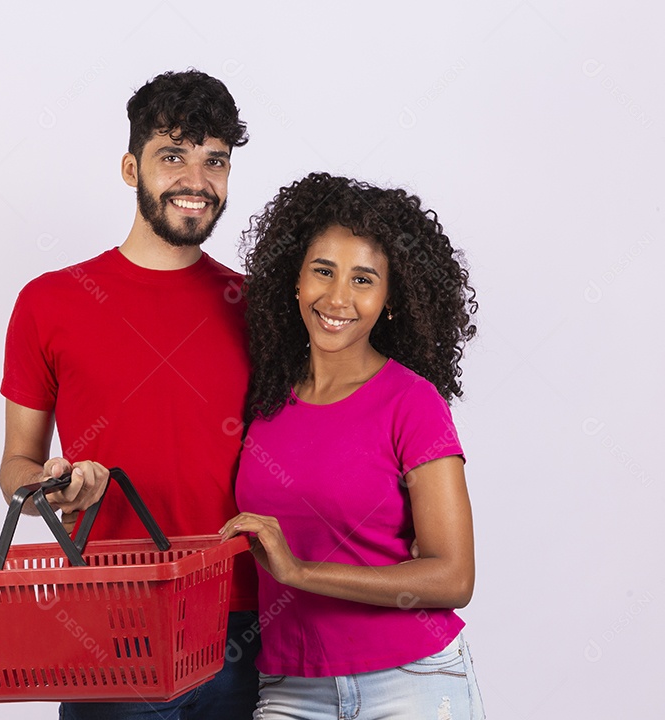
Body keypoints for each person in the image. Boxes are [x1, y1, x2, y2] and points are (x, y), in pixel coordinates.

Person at [0, 69, 259, 719]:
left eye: (215, 161)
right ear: (130, 167)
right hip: (112, 620)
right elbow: (16, 469)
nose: (196, 180)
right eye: (173, 156)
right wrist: (52, 485)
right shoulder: (49, 303)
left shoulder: (255, 307)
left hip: (243, 623)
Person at [221, 172, 485, 719]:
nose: (337, 297)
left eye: (363, 279)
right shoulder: (264, 400)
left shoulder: (412, 403)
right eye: (323, 271)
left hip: (411, 680)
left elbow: (454, 577)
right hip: (291, 686)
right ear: (295, 281)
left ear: (390, 301)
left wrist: (301, 573)